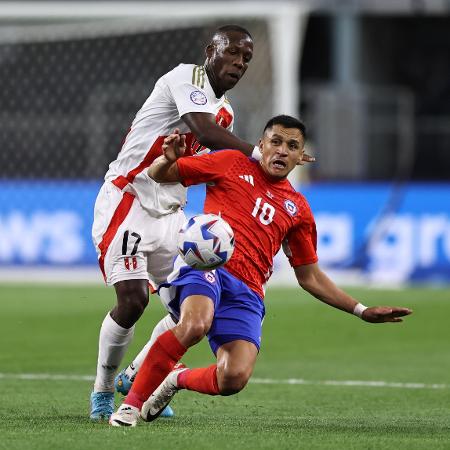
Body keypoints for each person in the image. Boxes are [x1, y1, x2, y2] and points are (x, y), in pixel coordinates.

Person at [108, 115, 412, 427]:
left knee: (234, 377)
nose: (282, 151)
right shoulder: (229, 163)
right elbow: (161, 175)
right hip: (206, 266)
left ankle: (175, 379)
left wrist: (361, 310)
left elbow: (309, 276)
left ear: (301, 157)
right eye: (276, 142)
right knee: (195, 324)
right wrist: (165, 159)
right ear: (261, 145)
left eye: (292, 146)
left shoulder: (299, 210)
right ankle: (130, 406)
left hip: (248, 291)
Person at [90, 24, 316, 420]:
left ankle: (136, 375)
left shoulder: (226, 110)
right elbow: (205, 131)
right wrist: (263, 153)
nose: (239, 63)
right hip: (130, 199)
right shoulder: (187, 76)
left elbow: (214, 154)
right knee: (133, 300)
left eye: (246, 58)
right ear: (211, 50)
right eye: (233, 53)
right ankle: (103, 393)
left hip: (173, 213)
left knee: (187, 307)